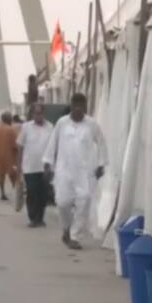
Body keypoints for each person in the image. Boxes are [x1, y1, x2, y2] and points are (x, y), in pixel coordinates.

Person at [43, 93, 107, 250]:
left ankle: (74, 236)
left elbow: (102, 143)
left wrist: (101, 164)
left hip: (84, 172)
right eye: (75, 105)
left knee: (84, 200)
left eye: (81, 105)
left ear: (85, 107)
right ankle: (66, 228)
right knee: (62, 202)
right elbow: (53, 142)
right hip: (64, 170)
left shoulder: (92, 124)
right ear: (71, 106)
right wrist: (47, 162)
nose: (78, 109)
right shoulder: (62, 123)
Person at [17, 103, 53, 228]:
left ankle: (40, 218)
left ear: (44, 113)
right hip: (29, 167)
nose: (39, 116)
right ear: (32, 114)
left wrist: (52, 165)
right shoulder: (26, 127)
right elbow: (20, 147)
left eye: (41, 113)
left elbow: (53, 147)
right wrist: (19, 166)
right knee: (32, 193)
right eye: (36, 113)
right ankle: (33, 218)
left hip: (45, 167)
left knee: (43, 194)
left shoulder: (50, 127)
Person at [0, 112, 19, 201]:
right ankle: (15, 191)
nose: (11, 120)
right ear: (8, 119)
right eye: (10, 118)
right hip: (10, 155)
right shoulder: (11, 130)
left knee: (1, 174)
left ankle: (2, 193)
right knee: (13, 174)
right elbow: (15, 145)